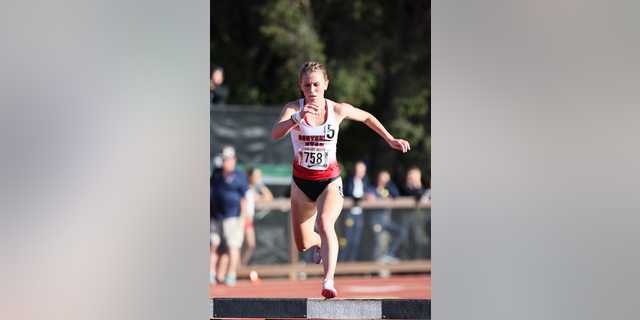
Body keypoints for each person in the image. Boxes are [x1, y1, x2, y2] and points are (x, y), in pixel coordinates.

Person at [271, 62, 410, 298]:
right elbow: (275, 133)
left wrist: (389, 138)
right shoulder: (293, 108)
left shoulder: (337, 110)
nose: (312, 90)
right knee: (303, 243)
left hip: (329, 181)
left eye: (316, 84)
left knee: (326, 223)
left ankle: (328, 281)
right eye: (307, 85)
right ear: (301, 86)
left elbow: (366, 117)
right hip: (302, 183)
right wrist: (297, 118)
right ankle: (318, 244)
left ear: (325, 84)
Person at [210, 146, 247, 286]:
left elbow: (244, 197)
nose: (225, 162)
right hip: (215, 216)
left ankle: (231, 274)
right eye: (223, 159)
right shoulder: (216, 173)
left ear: (233, 160)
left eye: (227, 159)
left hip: (233, 217)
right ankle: (211, 274)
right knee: (213, 244)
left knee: (233, 246)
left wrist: (244, 216)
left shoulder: (240, 174)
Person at [365, 170, 408, 264]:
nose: (383, 181)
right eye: (381, 178)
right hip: (375, 221)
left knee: (401, 231)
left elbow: (397, 196)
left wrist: (389, 183)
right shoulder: (371, 189)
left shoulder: (388, 191)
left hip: (384, 220)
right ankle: (371, 269)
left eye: (386, 179)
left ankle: (388, 254)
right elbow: (365, 194)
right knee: (375, 243)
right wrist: (367, 196)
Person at [241, 168, 274, 267]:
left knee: (251, 245)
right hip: (240, 220)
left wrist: (259, 186)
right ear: (250, 177)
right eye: (256, 176)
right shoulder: (243, 187)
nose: (259, 178)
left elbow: (269, 197)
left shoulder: (253, 189)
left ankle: (240, 267)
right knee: (235, 246)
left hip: (248, 221)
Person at [338, 160, 370, 262]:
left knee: (356, 241)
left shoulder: (365, 182)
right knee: (346, 240)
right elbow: (348, 193)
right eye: (357, 170)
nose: (359, 172)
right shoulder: (348, 180)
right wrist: (361, 198)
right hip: (349, 214)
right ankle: (341, 263)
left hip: (359, 214)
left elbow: (368, 192)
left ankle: (352, 263)